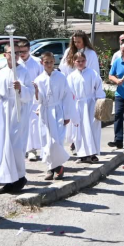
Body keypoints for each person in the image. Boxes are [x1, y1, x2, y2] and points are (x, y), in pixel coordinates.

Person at [0, 42, 36, 194]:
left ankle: (20, 178)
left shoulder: (23, 71)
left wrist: (21, 88)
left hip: (17, 112)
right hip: (3, 112)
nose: (14, 55)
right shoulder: (1, 72)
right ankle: (8, 180)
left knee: (15, 147)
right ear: (5, 55)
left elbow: (30, 92)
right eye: (11, 53)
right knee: (3, 147)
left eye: (16, 53)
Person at [35, 52, 75, 180]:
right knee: (46, 141)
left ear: (54, 62)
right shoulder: (39, 79)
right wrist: (36, 92)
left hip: (58, 111)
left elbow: (67, 96)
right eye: (46, 62)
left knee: (56, 141)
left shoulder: (61, 77)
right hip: (45, 111)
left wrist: (67, 114)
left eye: (51, 62)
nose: (49, 65)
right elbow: (38, 100)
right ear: (42, 63)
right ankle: (51, 168)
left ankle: (58, 166)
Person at [68, 51, 106, 163]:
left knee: (92, 128)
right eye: (78, 61)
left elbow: (98, 88)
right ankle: (82, 154)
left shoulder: (92, 73)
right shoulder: (71, 76)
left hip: (91, 104)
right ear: (74, 62)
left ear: (86, 61)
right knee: (79, 130)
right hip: (78, 105)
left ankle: (93, 153)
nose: (80, 63)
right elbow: (69, 93)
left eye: (82, 61)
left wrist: (100, 101)